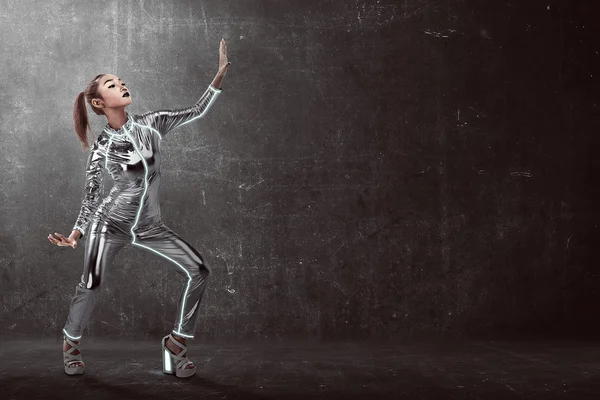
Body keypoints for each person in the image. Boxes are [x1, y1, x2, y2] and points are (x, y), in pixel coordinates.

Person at [48, 39, 231, 378]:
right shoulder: (102, 147)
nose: (123, 85)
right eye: (113, 85)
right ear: (99, 103)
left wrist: (218, 75)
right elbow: (91, 194)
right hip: (110, 223)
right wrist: (77, 233)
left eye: (122, 81)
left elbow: (196, 110)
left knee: (200, 270)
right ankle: (70, 343)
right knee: (91, 284)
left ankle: (176, 344)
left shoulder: (153, 123)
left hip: (150, 226)